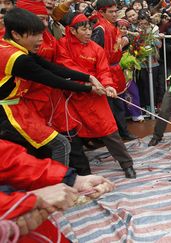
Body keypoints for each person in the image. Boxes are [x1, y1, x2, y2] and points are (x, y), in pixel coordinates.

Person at [0, 8, 104, 165]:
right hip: (8, 113)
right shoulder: (17, 58)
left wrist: (88, 77)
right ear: (16, 34)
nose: (41, 40)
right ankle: (60, 182)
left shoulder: (9, 45)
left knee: (33, 152)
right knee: (60, 144)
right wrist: (89, 88)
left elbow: (51, 67)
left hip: (17, 108)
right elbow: (53, 79)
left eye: (41, 34)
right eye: (35, 35)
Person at [55, 13, 137, 178]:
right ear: (72, 30)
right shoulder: (62, 45)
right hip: (71, 96)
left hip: (96, 97)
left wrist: (108, 85)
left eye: (89, 29)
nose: (88, 33)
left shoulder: (96, 48)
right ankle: (82, 171)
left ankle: (127, 164)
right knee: (73, 134)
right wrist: (88, 84)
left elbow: (104, 71)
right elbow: (66, 67)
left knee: (109, 129)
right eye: (83, 29)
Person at [0, 139, 115, 241]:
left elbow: (8, 159)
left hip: (35, 226)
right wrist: (22, 202)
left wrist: (71, 179)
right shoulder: (29, 203)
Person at [91, 0, 136, 141]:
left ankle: (123, 132)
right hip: (106, 71)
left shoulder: (112, 26)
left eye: (116, 11)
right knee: (109, 107)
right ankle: (111, 137)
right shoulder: (100, 29)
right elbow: (95, 53)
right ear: (101, 12)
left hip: (115, 69)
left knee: (118, 105)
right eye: (110, 12)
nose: (115, 14)